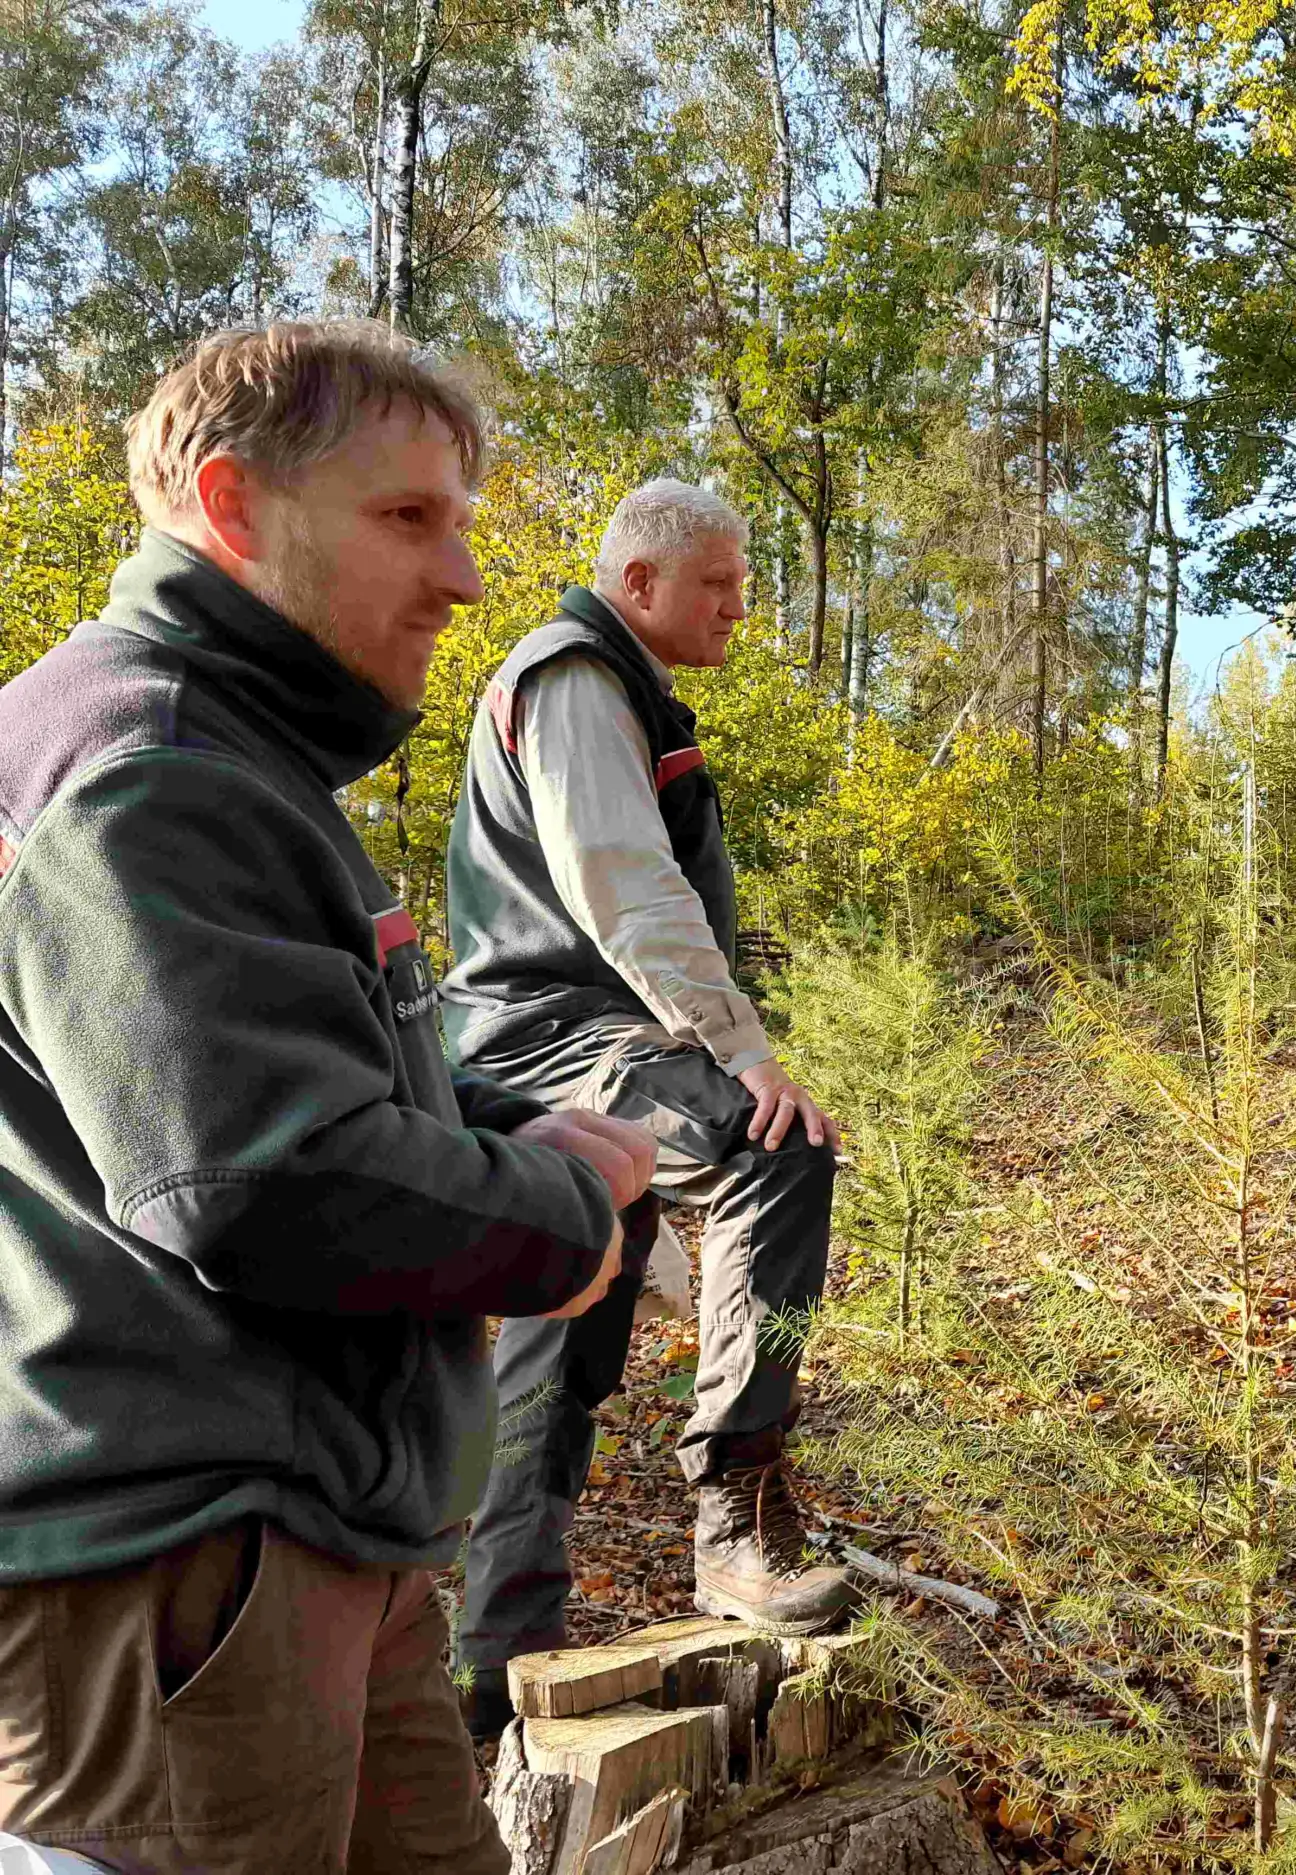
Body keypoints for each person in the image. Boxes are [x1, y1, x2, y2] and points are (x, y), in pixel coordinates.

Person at [0, 322, 651, 1871]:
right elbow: (255, 1174)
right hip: (179, 1578)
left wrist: (496, 1123)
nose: (466, 577)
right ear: (233, 507)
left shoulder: (221, 754)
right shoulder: (145, 769)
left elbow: (306, 1063)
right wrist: (567, 1222)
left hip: (304, 1550)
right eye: (408, 516)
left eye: (463, 523)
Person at [443, 479, 853, 1738]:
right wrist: (740, 1053)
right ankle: (733, 1513)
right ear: (638, 585)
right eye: (719, 584)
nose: (741, 606)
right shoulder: (574, 677)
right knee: (768, 1148)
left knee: (559, 1342)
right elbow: (622, 884)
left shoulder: (611, 682)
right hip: (559, 1043)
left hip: (553, 1047)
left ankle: (494, 1669)